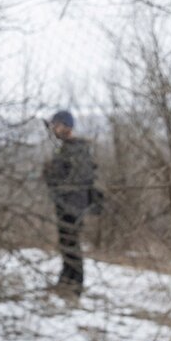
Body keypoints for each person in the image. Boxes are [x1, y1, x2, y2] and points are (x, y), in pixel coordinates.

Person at [41, 109, 100, 294]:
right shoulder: (66, 147)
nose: (53, 129)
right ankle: (65, 281)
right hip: (64, 203)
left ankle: (76, 286)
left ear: (66, 126)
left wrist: (54, 176)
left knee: (71, 244)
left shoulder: (76, 148)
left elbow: (79, 180)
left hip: (73, 205)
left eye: (56, 125)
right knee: (66, 243)